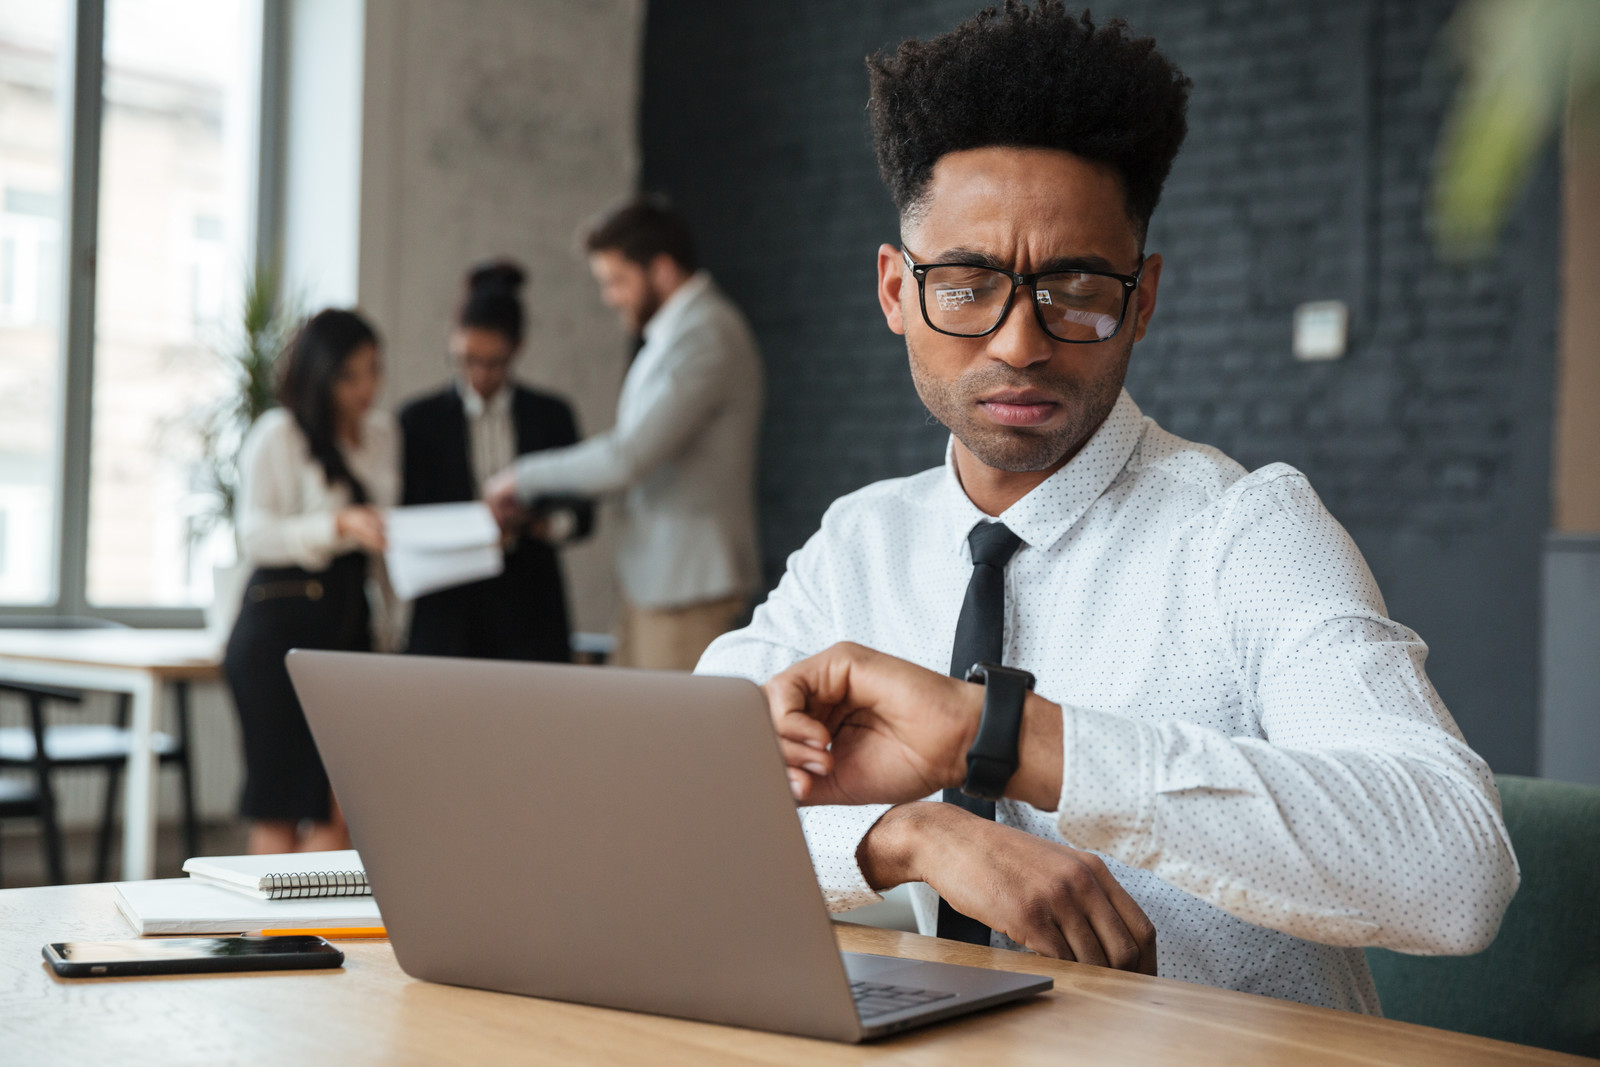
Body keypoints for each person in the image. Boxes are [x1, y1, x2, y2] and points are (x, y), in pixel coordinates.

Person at [697, 3, 1518, 1014]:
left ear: (1142, 298)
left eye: (1074, 287)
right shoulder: (859, 542)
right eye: (966, 284)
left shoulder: (1246, 530)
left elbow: (1457, 863)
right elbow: (690, 779)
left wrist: (1004, 740)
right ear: (893, 290)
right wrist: (906, 831)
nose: (1017, 342)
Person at [482, 197, 763, 671]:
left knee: (670, 744)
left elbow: (628, 457)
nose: (610, 296)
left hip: (686, 591)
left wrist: (519, 476)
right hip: (658, 586)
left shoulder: (706, 335)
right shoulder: (678, 334)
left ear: (662, 269)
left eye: (616, 281)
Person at [224, 309, 397, 855]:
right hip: (278, 634)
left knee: (340, 806)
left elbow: (388, 546)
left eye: (373, 371)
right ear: (320, 375)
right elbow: (254, 536)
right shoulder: (279, 433)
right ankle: (270, 940)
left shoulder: (383, 435)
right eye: (350, 376)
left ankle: (309, 939)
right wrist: (338, 524)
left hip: (348, 631)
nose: (365, 388)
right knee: (280, 805)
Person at [400, 261, 593, 662]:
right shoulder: (419, 420)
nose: (480, 375)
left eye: (494, 362)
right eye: (468, 359)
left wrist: (537, 523)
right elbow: (408, 514)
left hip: (530, 609)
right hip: (448, 612)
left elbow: (583, 513)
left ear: (517, 348)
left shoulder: (551, 414)